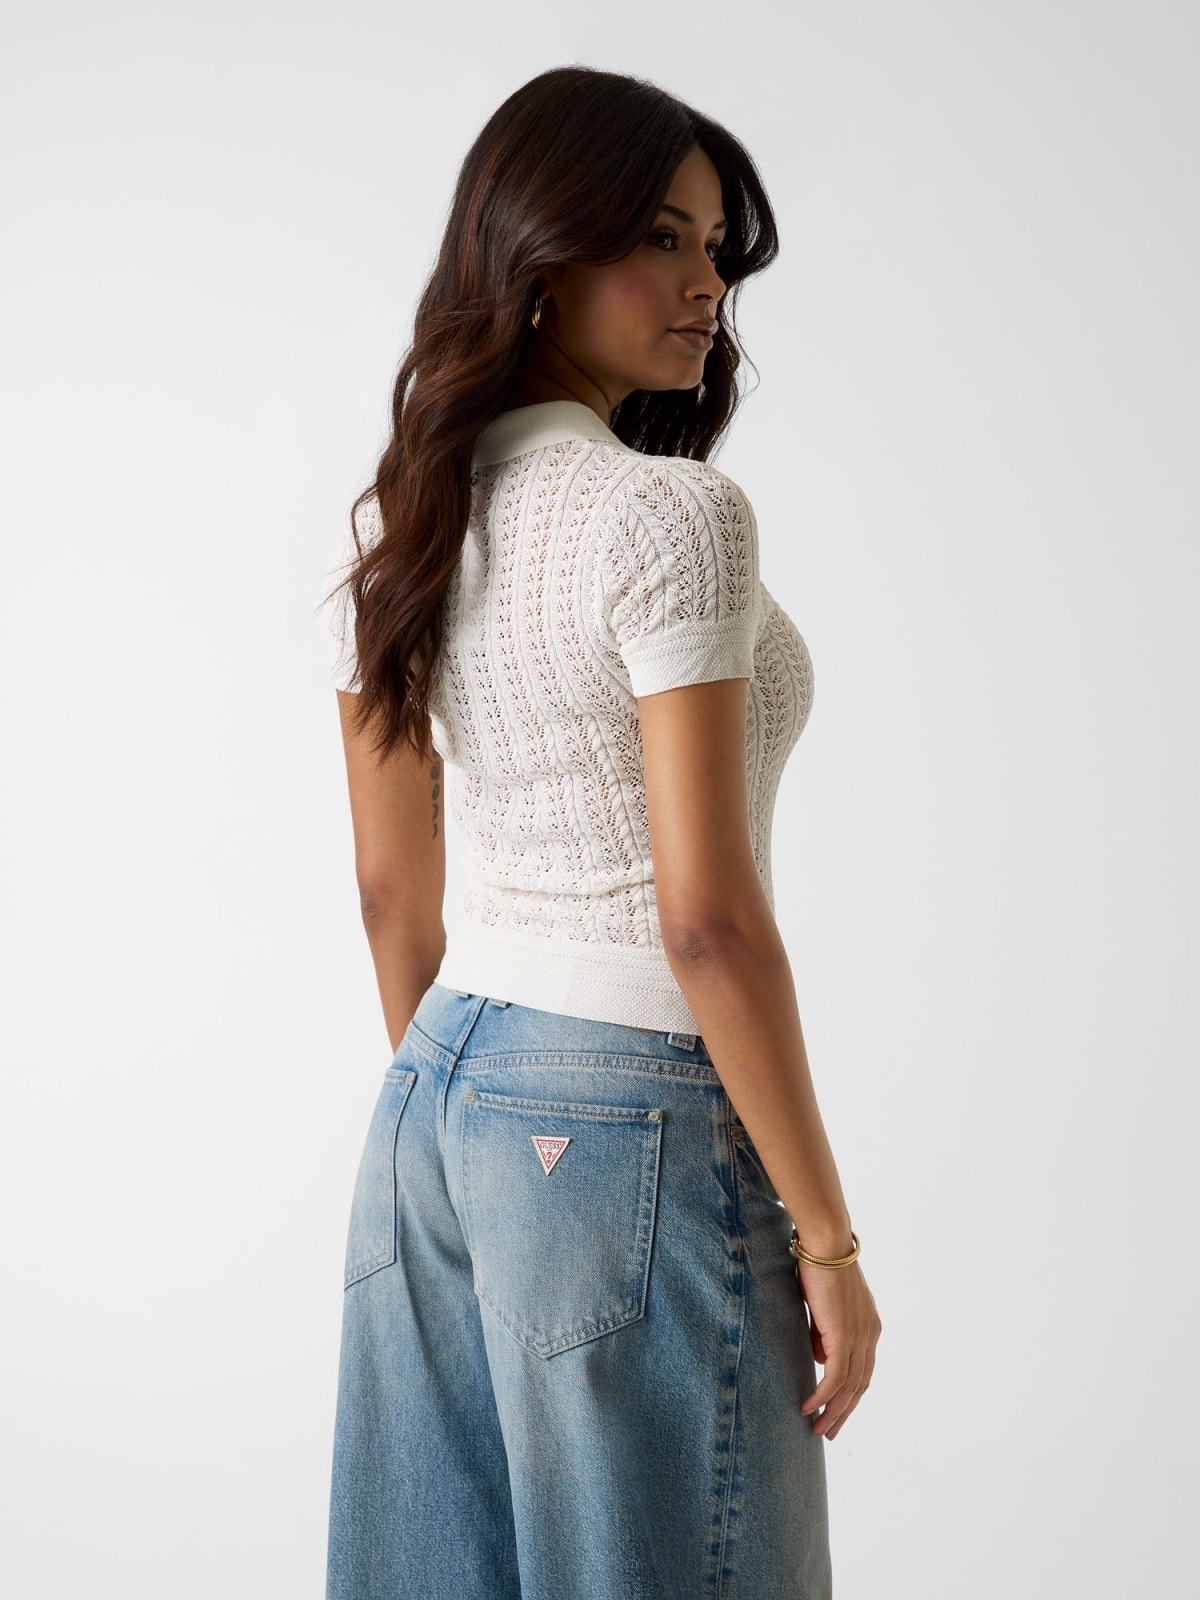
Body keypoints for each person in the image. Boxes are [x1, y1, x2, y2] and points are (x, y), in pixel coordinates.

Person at [322, 64, 881, 1600]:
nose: (708, 284)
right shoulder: (666, 517)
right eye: (660, 238)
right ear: (540, 255)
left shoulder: (403, 523)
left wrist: (485, 1127)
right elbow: (703, 922)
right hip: (631, 1096)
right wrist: (828, 1245)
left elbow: (389, 894)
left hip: (433, 1101)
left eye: (716, 247)